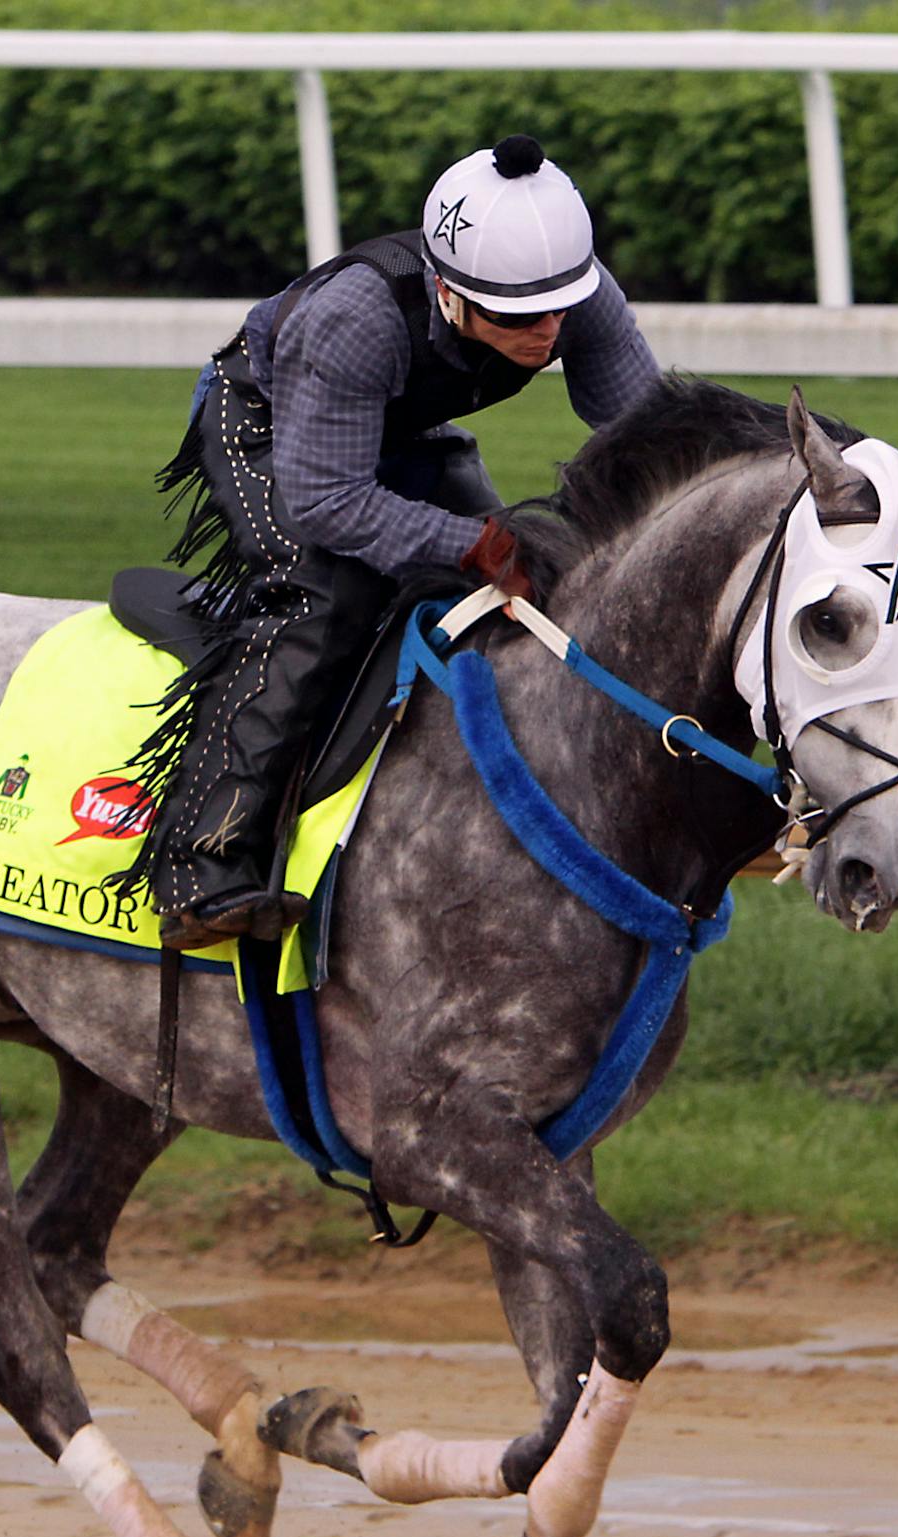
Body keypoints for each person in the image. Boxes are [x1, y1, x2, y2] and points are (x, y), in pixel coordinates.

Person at [131, 134, 663, 951]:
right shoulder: (355, 319)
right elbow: (327, 499)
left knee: (528, 580)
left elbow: (648, 436)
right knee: (324, 596)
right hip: (266, 428)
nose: (550, 332)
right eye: (522, 318)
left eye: (563, 307)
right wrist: (465, 539)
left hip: (391, 427)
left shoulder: (569, 289)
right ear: (450, 294)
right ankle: (201, 865)